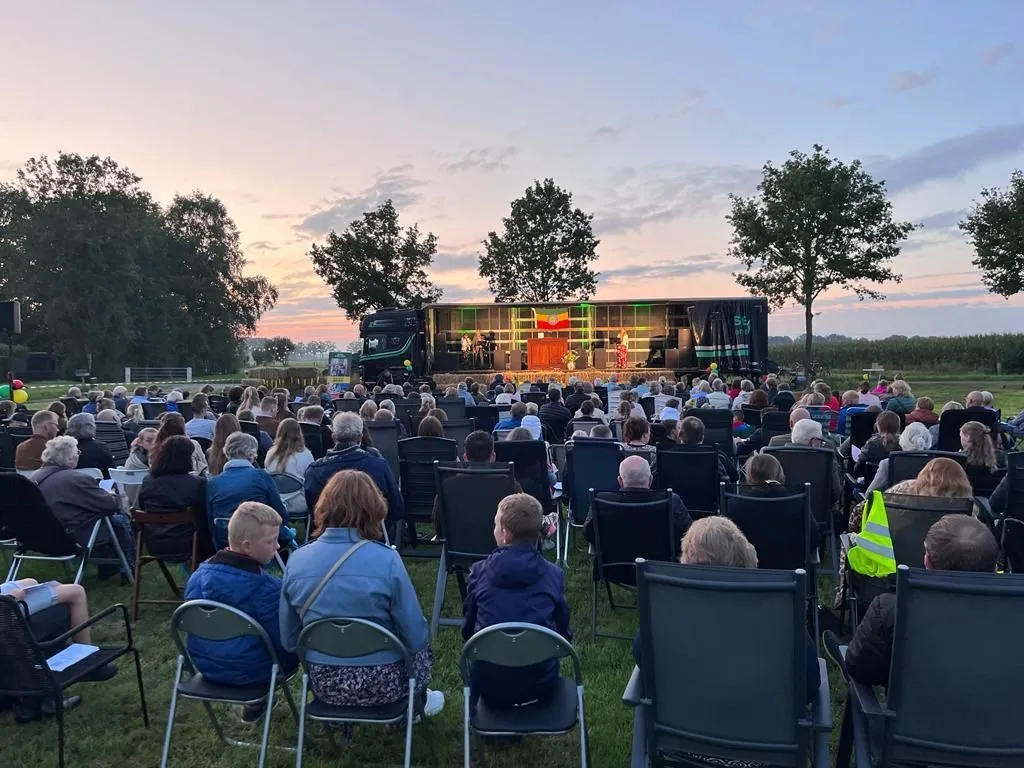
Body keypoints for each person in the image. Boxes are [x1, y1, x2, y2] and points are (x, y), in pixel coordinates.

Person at [280, 470, 444, 716]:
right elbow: (415, 636)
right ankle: (417, 700)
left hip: (325, 682)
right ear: (373, 508)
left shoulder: (297, 560)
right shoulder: (387, 560)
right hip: (386, 683)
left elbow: (290, 639)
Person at [632, 517, 821, 706]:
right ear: (745, 557)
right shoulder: (778, 616)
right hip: (760, 728)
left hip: (684, 727)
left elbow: (643, 654)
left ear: (686, 563)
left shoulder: (665, 616)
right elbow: (809, 684)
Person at [843, 515, 999, 688]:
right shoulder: (1013, 617)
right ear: (993, 568)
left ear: (927, 562)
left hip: (911, 714)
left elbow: (857, 667)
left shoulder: (892, 611)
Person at [184, 501, 297, 722]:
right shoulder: (268, 590)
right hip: (254, 673)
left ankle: (257, 705)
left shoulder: (196, 577)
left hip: (206, 667)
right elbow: (283, 643)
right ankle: (259, 700)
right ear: (246, 545)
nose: (277, 547)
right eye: (271, 541)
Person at [462, 493, 571, 708]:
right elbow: (564, 632)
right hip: (541, 682)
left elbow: (468, 630)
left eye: (495, 524)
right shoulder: (553, 575)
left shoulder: (479, 573)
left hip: (488, 682)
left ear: (506, 534)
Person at [33, 436, 136, 573]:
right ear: (69, 458)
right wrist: (111, 495)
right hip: (75, 533)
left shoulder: (34, 477)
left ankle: (109, 568)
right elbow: (111, 505)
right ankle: (129, 567)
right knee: (119, 520)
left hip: (43, 534)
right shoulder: (75, 479)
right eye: (77, 453)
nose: (78, 456)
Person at [303, 412, 404, 528]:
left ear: (334, 437)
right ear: (360, 438)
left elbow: (313, 511)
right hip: (370, 533)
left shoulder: (315, 471)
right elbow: (397, 509)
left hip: (329, 532)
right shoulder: (378, 466)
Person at [584, 456, 692, 556]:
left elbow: (589, 533)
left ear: (620, 481)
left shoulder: (602, 501)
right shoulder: (671, 501)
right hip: (659, 571)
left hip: (613, 571)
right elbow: (688, 535)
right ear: (650, 480)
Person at [206, 433, 287, 549]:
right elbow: (279, 510)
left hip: (225, 538)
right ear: (252, 455)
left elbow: (210, 519)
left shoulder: (213, 483)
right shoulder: (261, 476)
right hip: (258, 538)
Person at [137, 435, 213, 560]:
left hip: (155, 543)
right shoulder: (197, 483)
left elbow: (143, 506)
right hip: (191, 543)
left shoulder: (148, 481)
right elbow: (205, 513)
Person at [865, 421, 932, 494]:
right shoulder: (935, 466)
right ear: (928, 441)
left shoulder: (887, 464)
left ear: (903, 440)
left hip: (893, 504)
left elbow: (870, 494)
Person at [678, 416, 736, 483]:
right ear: (703, 437)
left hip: (676, 493)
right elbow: (734, 476)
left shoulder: (669, 455)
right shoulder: (718, 455)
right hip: (712, 493)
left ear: (679, 435)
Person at [66, 412, 114, 479]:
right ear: (91, 427)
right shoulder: (100, 447)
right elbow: (111, 473)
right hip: (97, 486)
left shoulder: (62, 448)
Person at [854, 410, 901, 477]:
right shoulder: (903, 443)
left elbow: (857, 470)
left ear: (878, 425)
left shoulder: (872, 443)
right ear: (898, 426)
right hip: (897, 484)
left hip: (873, 485)